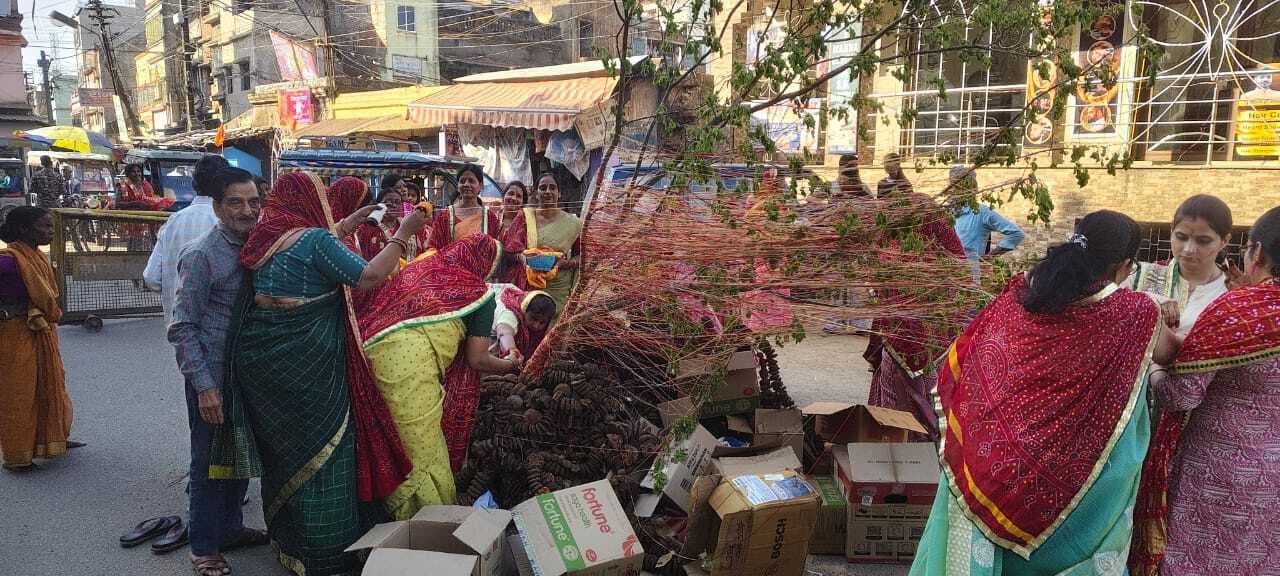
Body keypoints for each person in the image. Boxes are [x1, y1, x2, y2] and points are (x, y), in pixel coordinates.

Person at [911, 210, 1180, 576]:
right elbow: (1170, 352)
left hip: (995, 458)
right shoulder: (1135, 312)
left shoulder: (1022, 291)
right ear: (1125, 266)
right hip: (1071, 475)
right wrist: (1156, 304)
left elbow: (980, 355)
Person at [214, 172, 425, 576]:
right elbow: (369, 276)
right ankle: (326, 555)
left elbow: (308, 247)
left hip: (263, 366)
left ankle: (289, 542)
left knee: (285, 455)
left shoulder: (266, 237)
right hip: (308, 368)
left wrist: (345, 224)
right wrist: (404, 233)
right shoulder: (315, 241)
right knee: (327, 453)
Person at [1130, 206, 1280, 576]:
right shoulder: (1148, 277)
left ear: (1255, 252)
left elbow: (1180, 396)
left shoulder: (1239, 308)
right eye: (1181, 237)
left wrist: (1156, 368)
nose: (1189, 249)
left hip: (1217, 471)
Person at [358, 234, 522, 518]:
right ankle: (424, 520)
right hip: (409, 368)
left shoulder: (422, 267)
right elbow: (477, 359)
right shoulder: (478, 295)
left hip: (370, 353)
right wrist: (510, 365)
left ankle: (383, 518)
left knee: (386, 439)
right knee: (421, 449)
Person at [167, 168, 269, 576]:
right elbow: (182, 327)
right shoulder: (202, 254)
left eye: (253, 202)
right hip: (212, 375)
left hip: (245, 375)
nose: (247, 210)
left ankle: (230, 528)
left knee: (238, 455)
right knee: (209, 462)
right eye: (236, 202)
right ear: (217, 206)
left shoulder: (256, 247)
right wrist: (205, 387)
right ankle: (204, 547)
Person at [865, 192, 967, 440]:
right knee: (930, 389)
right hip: (924, 336)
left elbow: (876, 280)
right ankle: (927, 442)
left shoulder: (893, 245)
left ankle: (899, 442)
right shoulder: (942, 254)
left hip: (908, 335)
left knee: (906, 389)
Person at [0, 206, 75, 471]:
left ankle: (52, 438)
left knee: (51, 383)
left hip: (42, 332)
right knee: (20, 392)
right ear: (23, 229)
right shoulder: (8, 261)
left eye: (51, 227)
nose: (50, 232)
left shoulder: (38, 257)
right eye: (45, 227)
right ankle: (17, 455)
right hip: (15, 333)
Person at [1126, 195, 1232, 337]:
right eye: (1181, 237)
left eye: (1203, 241)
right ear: (1171, 231)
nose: (1189, 249)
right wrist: (1148, 302)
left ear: (1224, 241)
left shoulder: (1232, 292)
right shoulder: (1137, 274)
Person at [145, 155, 229, 324]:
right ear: (226, 185)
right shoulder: (227, 222)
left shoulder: (172, 222)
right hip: (216, 327)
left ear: (194, 184)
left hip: (177, 326)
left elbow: (152, 278)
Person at [501, 171, 583, 309]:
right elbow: (508, 250)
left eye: (552, 188)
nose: (547, 191)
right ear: (536, 193)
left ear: (559, 193)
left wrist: (566, 263)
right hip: (528, 286)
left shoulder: (574, 223)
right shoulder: (525, 217)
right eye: (543, 188)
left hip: (559, 288)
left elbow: (582, 255)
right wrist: (522, 258)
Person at [949, 165, 1026, 282]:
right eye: (950, 185)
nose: (950, 190)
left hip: (969, 278)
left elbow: (1016, 234)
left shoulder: (981, 212)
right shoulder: (947, 213)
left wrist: (988, 258)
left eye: (954, 186)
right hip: (947, 275)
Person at [351, 177, 429, 261]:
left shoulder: (408, 224)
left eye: (397, 202)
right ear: (379, 205)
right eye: (388, 202)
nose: (394, 205)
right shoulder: (367, 227)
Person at [428, 164, 500, 251]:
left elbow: (496, 250)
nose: (466, 184)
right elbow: (434, 248)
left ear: (481, 185)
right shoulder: (445, 216)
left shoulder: (490, 218)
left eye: (471, 181)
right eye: (462, 181)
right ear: (458, 186)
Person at [493, 286, 558, 359]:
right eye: (533, 318)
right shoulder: (509, 314)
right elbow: (504, 333)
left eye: (542, 322)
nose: (536, 325)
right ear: (524, 310)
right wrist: (512, 351)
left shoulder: (528, 300)